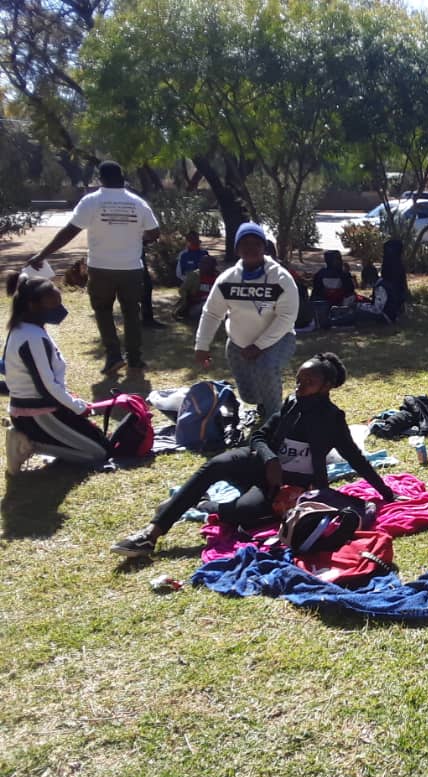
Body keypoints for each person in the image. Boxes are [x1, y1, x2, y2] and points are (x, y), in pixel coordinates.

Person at [112, 352, 396, 558]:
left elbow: (355, 458)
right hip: (261, 465)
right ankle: (151, 534)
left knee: (245, 514)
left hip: (286, 485)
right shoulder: (291, 403)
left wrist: (387, 494)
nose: (299, 386)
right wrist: (269, 458)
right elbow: (258, 436)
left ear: (326, 386)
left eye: (308, 382)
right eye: (298, 380)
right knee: (216, 464)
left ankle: (201, 504)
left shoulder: (332, 419)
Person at [27, 161, 160, 375]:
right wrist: (137, 240)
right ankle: (135, 359)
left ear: (100, 178)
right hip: (131, 269)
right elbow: (154, 233)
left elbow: (69, 232)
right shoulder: (138, 203)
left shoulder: (91, 201)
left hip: (101, 268)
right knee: (131, 312)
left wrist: (43, 254)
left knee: (103, 311)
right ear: (122, 177)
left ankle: (114, 357)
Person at [4, 274, 109, 473]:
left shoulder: (25, 330)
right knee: (97, 453)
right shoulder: (32, 337)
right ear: (33, 305)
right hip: (38, 414)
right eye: (54, 304)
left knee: (102, 442)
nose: (60, 310)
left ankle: (32, 437)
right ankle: (28, 444)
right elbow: (47, 387)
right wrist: (77, 407)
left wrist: (70, 401)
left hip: (38, 410)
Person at [195, 222, 299, 420]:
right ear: (237, 249)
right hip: (238, 345)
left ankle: (275, 419)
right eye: (245, 244)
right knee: (249, 396)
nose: (250, 248)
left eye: (256, 243)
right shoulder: (227, 279)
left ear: (264, 247)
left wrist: (260, 345)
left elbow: (287, 317)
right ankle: (263, 404)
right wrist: (202, 345)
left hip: (278, 341)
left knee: (266, 367)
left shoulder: (280, 278)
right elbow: (212, 313)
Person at [353, 240, 407, 325]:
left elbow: (377, 309)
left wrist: (359, 306)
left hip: (386, 316)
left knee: (356, 314)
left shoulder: (380, 287)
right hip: (389, 312)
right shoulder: (384, 282)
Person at [311, 249, 357, 328]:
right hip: (333, 304)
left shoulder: (320, 273)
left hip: (330, 304)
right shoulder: (343, 274)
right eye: (338, 259)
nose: (340, 262)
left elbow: (316, 291)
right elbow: (350, 290)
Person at [173, 254, 220, 321]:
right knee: (205, 305)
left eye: (206, 263)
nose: (202, 265)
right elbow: (182, 290)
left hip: (213, 304)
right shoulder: (194, 276)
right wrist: (186, 299)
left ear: (213, 266)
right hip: (196, 305)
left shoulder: (219, 277)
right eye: (201, 263)